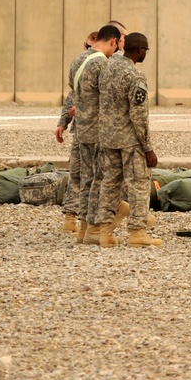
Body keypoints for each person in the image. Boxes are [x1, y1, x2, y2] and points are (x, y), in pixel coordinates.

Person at [94, 33, 162, 247]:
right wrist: (148, 148)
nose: (145, 54)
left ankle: (105, 231)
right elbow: (139, 116)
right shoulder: (135, 76)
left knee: (110, 184)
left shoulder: (107, 68)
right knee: (138, 183)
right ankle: (137, 232)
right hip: (130, 140)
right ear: (139, 50)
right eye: (145, 50)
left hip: (108, 138)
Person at [73, 24, 128, 245]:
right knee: (101, 181)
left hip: (82, 129)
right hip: (99, 130)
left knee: (87, 180)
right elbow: (109, 97)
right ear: (113, 41)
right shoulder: (101, 64)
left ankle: (84, 229)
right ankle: (95, 229)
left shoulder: (78, 60)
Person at [54, 31, 98, 234]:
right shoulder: (84, 63)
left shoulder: (97, 63)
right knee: (78, 174)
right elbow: (73, 95)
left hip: (94, 129)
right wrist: (63, 121)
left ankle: (82, 221)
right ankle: (74, 219)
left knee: (87, 175)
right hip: (84, 131)